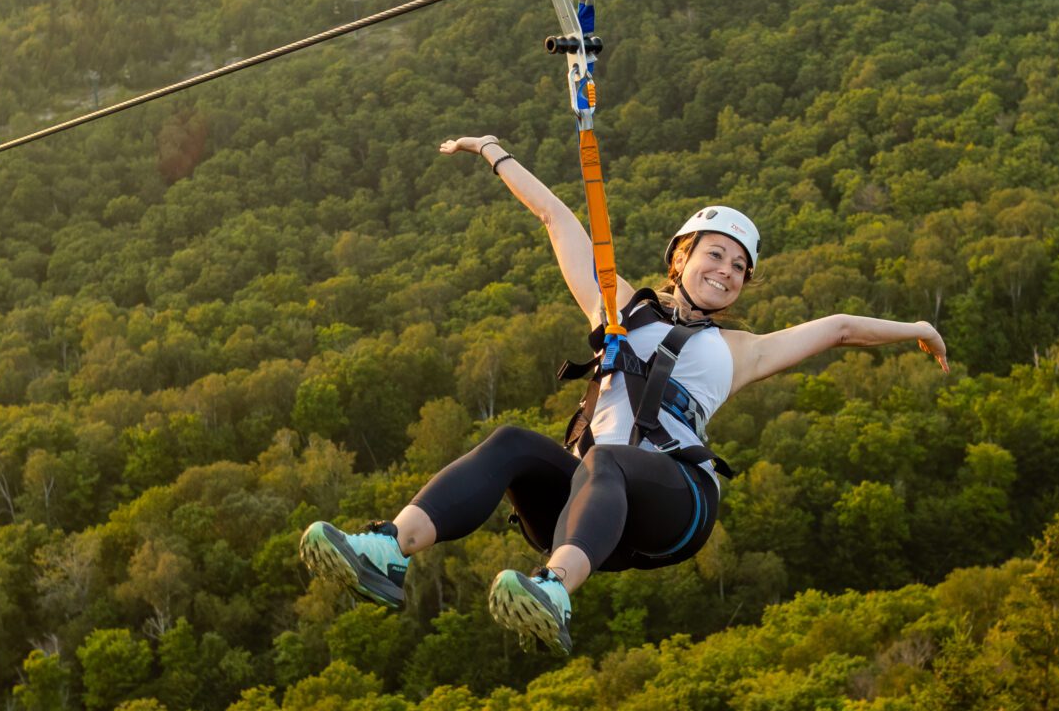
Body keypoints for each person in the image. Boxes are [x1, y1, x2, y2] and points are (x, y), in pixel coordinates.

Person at [300, 133, 948, 654]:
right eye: (714, 255)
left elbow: (837, 330)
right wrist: (494, 151)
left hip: (677, 504)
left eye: (738, 267)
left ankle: (554, 591)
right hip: (588, 508)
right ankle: (388, 549)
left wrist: (919, 328)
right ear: (680, 260)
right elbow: (557, 218)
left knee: (606, 460)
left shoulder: (739, 351)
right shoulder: (617, 309)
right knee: (513, 443)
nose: (725, 271)